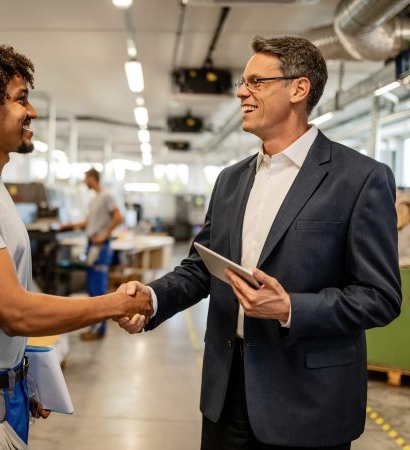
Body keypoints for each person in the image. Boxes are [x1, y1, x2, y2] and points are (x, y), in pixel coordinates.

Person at [118, 35, 401, 450]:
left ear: (298, 89)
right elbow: (201, 267)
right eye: (242, 82)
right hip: (226, 391)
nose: (240, 92)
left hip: (307, 399)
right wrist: (151, 299)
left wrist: (290, 308)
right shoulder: (231, 179)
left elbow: (380, 296)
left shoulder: (360, 179)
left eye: (256, 82)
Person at [0, 37, 152, 450]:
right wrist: (116, 304)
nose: (32, 112)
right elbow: (13, 311)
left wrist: (20, 378)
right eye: (22, 99)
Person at [59, 167, 123, 340]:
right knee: (91, 289)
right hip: (91, 245)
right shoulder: (94, 200)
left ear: (92, 178)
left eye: (86, 178)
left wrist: (104, 235)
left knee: (98, 291)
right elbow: (88, 222)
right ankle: (94, 328)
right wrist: (68, 226)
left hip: (100, 247)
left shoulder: (106, 196)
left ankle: (99, 330)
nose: (84, 181)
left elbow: (118, 217)